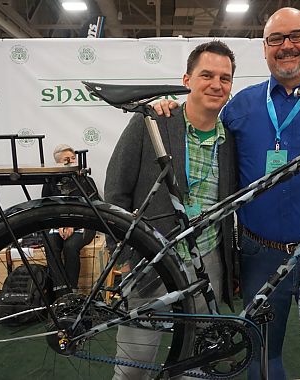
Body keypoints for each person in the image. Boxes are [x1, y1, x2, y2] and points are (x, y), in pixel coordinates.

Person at [155, 8, 300, 379]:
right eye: (276, 39)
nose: (287, 46)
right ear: (265, 49)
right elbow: (199, 124)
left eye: (296, 36)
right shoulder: (241, 106)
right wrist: (167, 109)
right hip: (260, 253)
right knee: (262, 351)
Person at [104, 40, 239, 380]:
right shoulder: (153, 122)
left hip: (207, 260)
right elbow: (117, 187)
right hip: (152, 258)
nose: (216, 84)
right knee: (135, 364)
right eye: (206, 74)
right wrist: (118, 250)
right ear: (187, 79)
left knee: (194, 364)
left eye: (224, 78)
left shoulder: (231, 140)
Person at [41, 144, 96, 294]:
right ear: (58, 163)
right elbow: (45, 208)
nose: (72, 162)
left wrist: (73, 222)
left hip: (84, 223)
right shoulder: (49, 183)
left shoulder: (86, 180)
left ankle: (72, 290)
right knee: (51, 244)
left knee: (70, 246)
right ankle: (61, 292)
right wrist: (59, 223)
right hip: (58, 225)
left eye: (73, 158)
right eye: (67, 160)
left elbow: (94, 208)